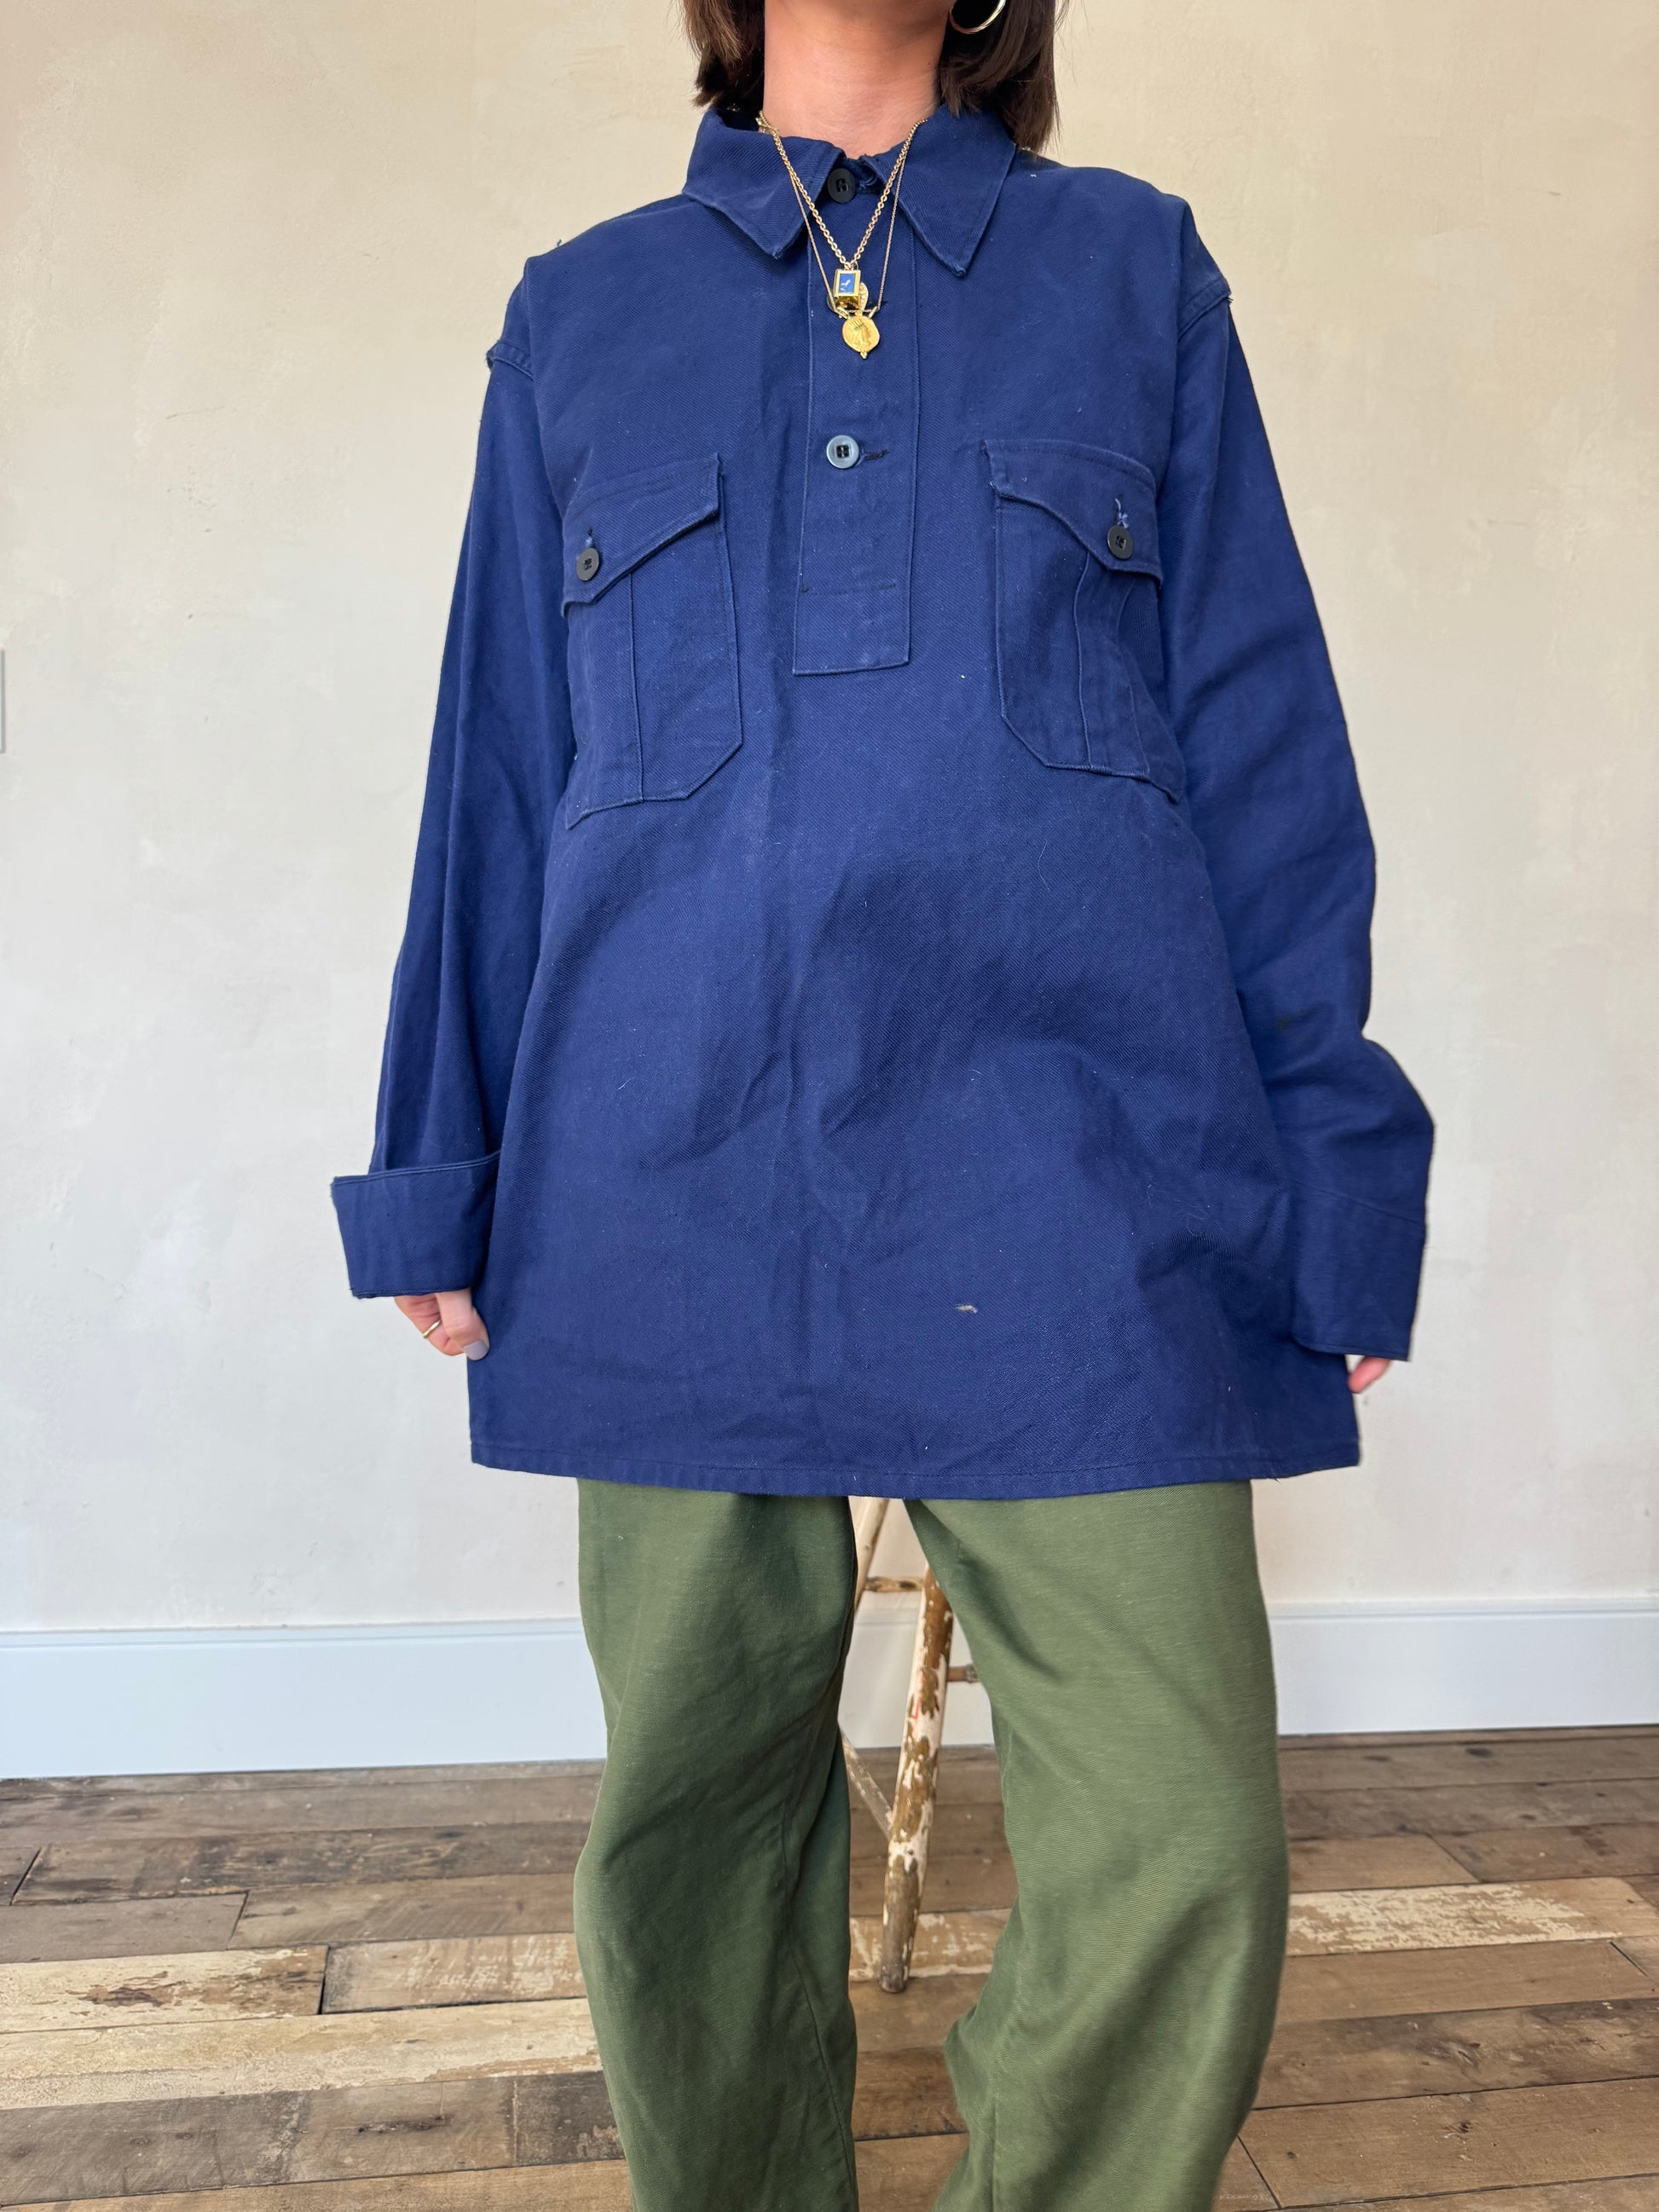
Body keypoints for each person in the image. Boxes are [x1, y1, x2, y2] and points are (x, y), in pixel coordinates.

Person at [332, 1, 1433, 2203]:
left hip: (1087, 1156)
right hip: (661, 1152)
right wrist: (440, 1162)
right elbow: (501, 771)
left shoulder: (1133, 270)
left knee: (1183, 1828)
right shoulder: (583, 315)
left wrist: (1337, 1169)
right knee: (691, 1825)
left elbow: (1261, 745)